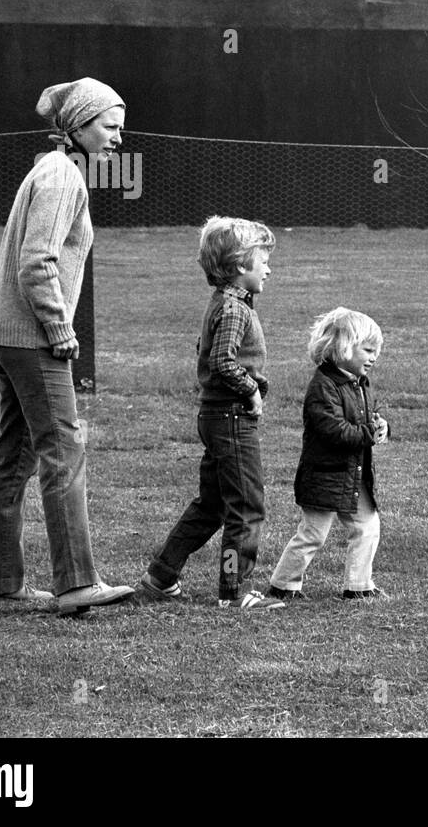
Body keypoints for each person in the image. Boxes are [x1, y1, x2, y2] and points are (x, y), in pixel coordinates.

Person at [0, 77, 135, 616]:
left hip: (6, 336)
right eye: (109, 125)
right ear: (78, 125)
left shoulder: (48, 169)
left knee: (16, 456)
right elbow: (37, 261)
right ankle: (75, 584)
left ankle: (2, 581)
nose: (118, 136)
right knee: (64, 452)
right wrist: (59, 328)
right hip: (32, 340)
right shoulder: (63, 176)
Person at [138, 216, 286, 610]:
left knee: (213, 505)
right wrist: (251, 390)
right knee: (247, 506)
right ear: (240, 266)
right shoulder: (235, 309)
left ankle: (161, 576)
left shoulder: (222, 303)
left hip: (216, 417)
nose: (269, 268)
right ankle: (234, 592)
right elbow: (222, 361)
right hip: (233, 418)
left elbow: (205, 352)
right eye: (263, 260)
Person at [267, 307, 391, 602]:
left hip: (354, 472)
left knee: (367, 525)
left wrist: (380, 423)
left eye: (377, 351)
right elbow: (332, 429)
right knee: (313, 533)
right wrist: (365, 435)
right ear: (343, 348)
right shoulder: (323, 385)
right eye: (368, 350)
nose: (374, 358)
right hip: (324, 474)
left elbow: (366, 414)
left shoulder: (360, 382)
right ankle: (284, 584)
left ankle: (359, 586)